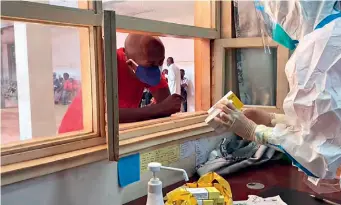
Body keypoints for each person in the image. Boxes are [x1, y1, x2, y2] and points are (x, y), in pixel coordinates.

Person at [210, 0, 341, 180]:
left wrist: (254, 131)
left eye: (275, 15)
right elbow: (329, 122)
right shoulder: (334, 36)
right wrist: (273, 119)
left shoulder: (321, 48)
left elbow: (323, 155)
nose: (275, 25)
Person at [58, 34, 183, 133]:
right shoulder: (108, 64)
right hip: (80, 131)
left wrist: (162, 109)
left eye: (160, 62)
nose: (157, 68)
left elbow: (167, 104)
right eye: (151, 64)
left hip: (114, 132)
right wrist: (157, 109)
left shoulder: (149, 66)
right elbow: (104, 115)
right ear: (129, 62)